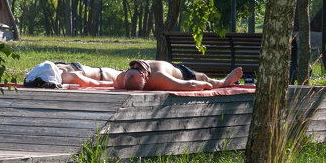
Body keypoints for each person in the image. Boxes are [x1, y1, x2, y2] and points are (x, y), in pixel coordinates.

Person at [112, 59, 243, 92]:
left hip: (181, 72)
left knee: (204, 78)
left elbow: (189, 84)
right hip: (177, 73)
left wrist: (205, 83)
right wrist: (204, 85)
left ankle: (223, 82)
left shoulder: (121, 78)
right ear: (145, 78)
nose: (134, 66)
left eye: (133, 67)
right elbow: (189, 85)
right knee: (203, 79)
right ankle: (224, 81)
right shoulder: (158, 78)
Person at [23, 60, 123, 88]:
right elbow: (97, 83)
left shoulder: (69, 77)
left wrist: (113, 84)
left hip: (99, 73)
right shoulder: (69, 76)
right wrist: (114, 84)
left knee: (124, 75)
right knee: (123, 75)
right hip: (101, 74)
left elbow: (97, 84)